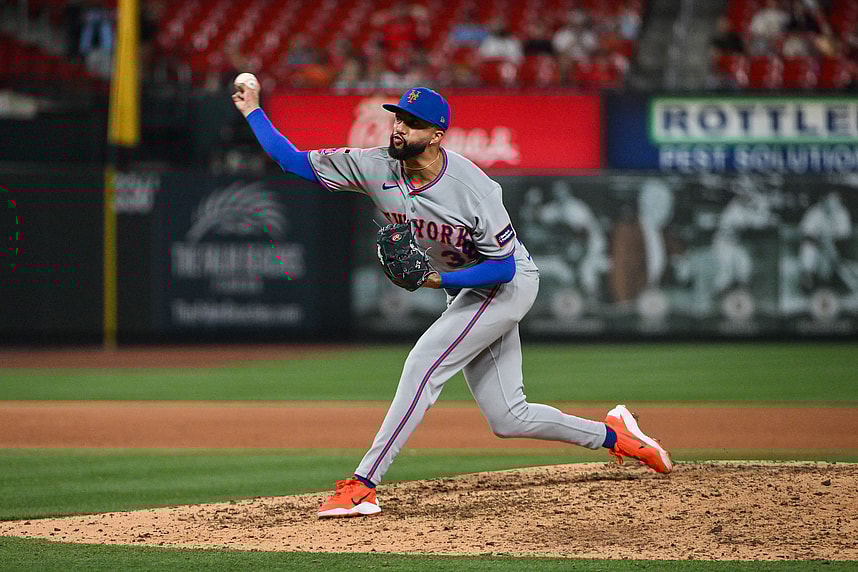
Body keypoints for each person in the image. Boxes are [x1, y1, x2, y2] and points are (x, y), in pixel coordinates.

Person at [231, 84, 673, 518]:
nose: (400, 128)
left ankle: (363, 485)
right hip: (469, 289)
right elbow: (290, 160)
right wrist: (253, 110)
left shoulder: (475, 189)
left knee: (423, 362)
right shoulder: (373, 165)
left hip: (507, 285)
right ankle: (614, 436)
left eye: (414, 123)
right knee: (508, 417)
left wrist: (440, 279)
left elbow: (503, 268)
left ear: (437, 135)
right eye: (399, 118)